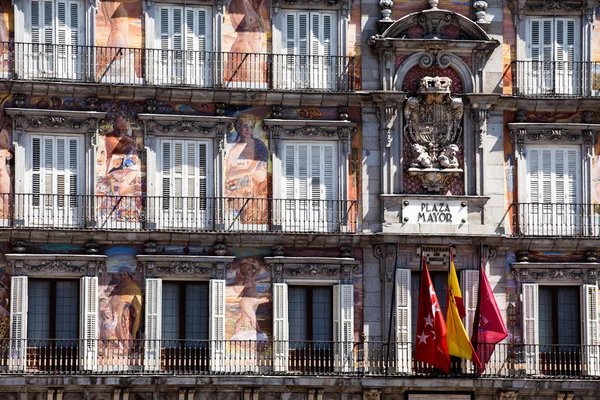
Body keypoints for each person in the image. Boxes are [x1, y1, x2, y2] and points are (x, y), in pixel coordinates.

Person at [225, 112, 268, 224]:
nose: (248, 129)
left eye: (251, 126)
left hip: (255, 191)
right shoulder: (233, 149)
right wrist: (248, 171)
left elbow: (262, 174)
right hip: (237, 190)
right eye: (245, 126)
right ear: (239, 127)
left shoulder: (259, 145)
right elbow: (228, 173)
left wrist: (243, 172)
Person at [234, 257, 268, 335]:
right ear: (245, 271)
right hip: (245, 301)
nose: (251, 270)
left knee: (243, 318)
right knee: (252, 315)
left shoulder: (252, 278)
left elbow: (258, 270)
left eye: (251, 269)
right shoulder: (244, 280)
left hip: (251, 301)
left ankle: (236, 330)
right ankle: (258, 330)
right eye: (249, 269)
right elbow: (235, 288)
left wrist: (254, 264)